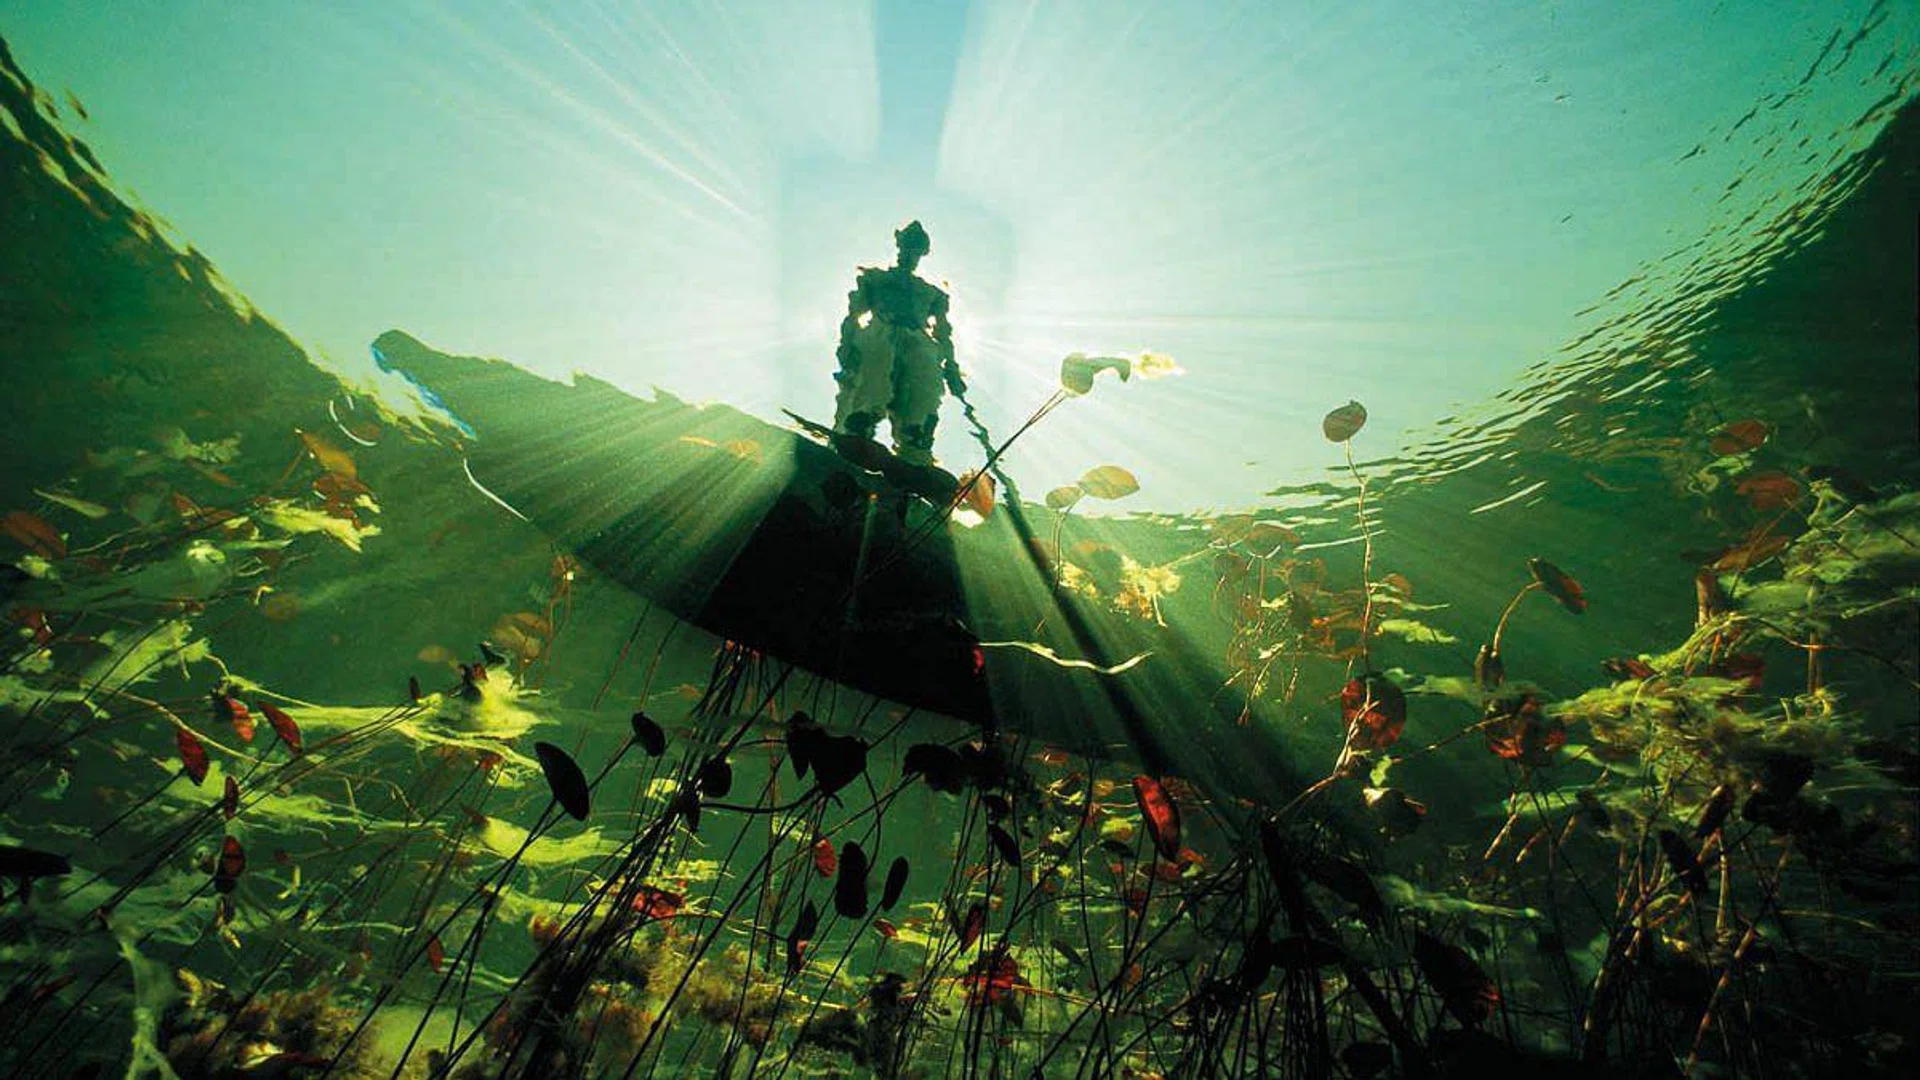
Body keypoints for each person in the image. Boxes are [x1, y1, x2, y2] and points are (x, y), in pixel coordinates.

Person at [831, 221, 964, 466]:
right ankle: (854, 440)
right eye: (907, 246)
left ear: (922, 253)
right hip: (880, 338)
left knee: (918, 409)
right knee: (867, 396)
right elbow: (853, 315)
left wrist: (952, 367)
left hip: (918, 347)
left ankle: (914, 453)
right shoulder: (876, 279)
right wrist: (847, 344)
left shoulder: (931, 293)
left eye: (915, 249)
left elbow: (943, 332)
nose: (909, 253)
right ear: (899, 246)